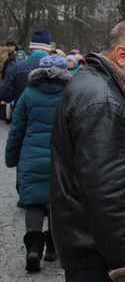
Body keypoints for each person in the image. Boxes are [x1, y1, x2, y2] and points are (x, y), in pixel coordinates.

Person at [50, 20, 125, 281]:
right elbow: (107, 194)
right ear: (122, 55)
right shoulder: (102, 101)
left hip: (96, 250)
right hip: (101, 259)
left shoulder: (100, 88)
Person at [5, 55, 71, 271]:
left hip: (31, 157)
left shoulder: (28, 94)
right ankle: (52, 248)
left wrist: (11, 157)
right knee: (56, 202)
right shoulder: (70, 95)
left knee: (33, 202)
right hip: (59, 158)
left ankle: (33, 249)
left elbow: (16, 130)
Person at [0, 30, 51, 105]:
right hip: (50, 115)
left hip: (22, 113)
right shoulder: (57, 69)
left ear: (31, 48)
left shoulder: (17, 67)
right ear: (48, 49)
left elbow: (4, 95)